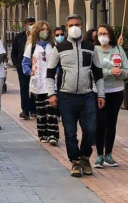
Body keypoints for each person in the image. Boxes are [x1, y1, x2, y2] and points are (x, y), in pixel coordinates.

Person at [47, 14, 105, 178]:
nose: (75, 27)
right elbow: (50, 73)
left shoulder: (90, 48)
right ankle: (75, 162)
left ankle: (85, 157)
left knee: (91, 130)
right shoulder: (59, 48)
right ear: (66, 27)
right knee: (70, 132)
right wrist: (51, 93)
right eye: (71, 24)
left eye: (77, 24)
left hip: (87, 96)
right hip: (66, 96)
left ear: (83, 26)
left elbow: (98, 73)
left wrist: (101, 94)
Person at [93, 24, 128, 168]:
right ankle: (99, 155)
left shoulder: (118, 50)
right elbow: (92, 71)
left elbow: (126, 69)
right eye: (100, 34)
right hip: (98, 91)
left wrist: (121, 73)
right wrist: (108, 72)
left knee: (111, 123)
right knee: (100, 122)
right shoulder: (94, 51)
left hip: (116, 91)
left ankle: (109, 154)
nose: (103, 36)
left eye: (105, 33)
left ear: (111, 35)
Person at [22, 21, 59, 145]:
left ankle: (53, 135)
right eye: (42, 29)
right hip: (37, 83)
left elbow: (58, 62)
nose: (45, 32)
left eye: (47, 29)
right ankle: (43, 134)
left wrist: (57, 71)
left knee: (52, 110)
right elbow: (25, 63)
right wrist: (29, 72)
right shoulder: (31, 47)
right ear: (37, 31)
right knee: (40, 111)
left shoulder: (53, 46)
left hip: (50, 82)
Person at [11, 16, 36, 120]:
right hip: (22, 67)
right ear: (26, 25)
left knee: (35, 88)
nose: (31, 26)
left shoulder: (37, 36)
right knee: (24, 88)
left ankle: (34, 109)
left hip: (35, 67)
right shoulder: (19, 37)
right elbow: (14, 52)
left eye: (33, 23)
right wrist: (17, 65)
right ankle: (25, 110)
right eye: (29, 24)